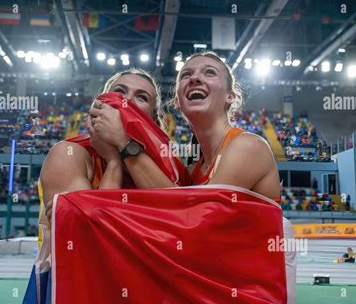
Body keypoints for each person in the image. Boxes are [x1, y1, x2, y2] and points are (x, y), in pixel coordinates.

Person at [92, 51, 280, 200]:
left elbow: (193, 217)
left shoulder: (248, 146)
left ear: (230, 96)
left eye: (210, 72)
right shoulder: (192, 169)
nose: (194, 79)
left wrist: (125, 144)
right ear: (177, 101)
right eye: (186, 75)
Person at [41, 68, 164, 223]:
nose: (127, 101)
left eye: (142, 97)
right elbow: (87, 230)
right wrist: (114, 162)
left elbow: (174, 222)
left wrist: (122, 145)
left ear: (153, 119)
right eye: (120, 91)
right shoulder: (68, 153)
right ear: (100, 103)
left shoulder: (165, 164)